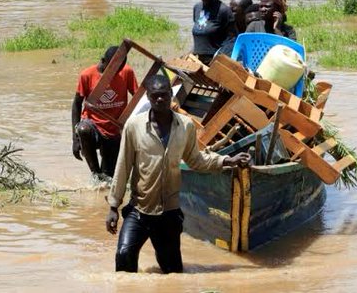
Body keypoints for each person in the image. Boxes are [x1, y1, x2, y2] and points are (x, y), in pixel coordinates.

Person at [105, 75, 250, 273]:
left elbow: (196, 160)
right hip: (140, 209)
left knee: (173, 272)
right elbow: (123, 166)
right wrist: (114, 206)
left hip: (168, 213)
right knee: (124, 256)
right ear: (148, 97)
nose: (159, 100)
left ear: (171, 94)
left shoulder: (186, 126)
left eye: (163, 95)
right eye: (155, 96)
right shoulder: (134, 127)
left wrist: (226, 160)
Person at [72, 46, 138, 180]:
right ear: (103, 61)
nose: (116, 73)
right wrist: (75, 139)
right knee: (83, 129)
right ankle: (95, 174)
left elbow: (138, 98)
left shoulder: (126, 72)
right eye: (113, 70)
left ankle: (102, 178)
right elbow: (77, 104)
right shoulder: (87, 75)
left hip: (114, 130)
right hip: (93, 126)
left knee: (109, 177)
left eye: (119, 70)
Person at [192, 0, 238, 65]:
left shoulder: (223, 10)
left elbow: (232, 41)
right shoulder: (197, 8)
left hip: (215, 62)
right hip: (198, 61)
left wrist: (217, 61)